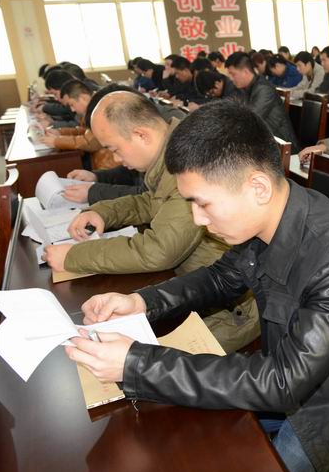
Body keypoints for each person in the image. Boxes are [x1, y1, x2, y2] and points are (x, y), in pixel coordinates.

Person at [64, 99, 329, 472]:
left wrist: (136, 364)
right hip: (300, 377)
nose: (198, 219)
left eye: (203, 203)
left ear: (257, 187)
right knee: (183, 433)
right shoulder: (268, 217)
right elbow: (221, 278)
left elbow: (283, 383)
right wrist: (140, 301)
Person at [43, 91, 261, 351]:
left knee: (129, 357)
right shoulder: (172, 151)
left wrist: (74, 256)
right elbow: (153, 202)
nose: (115, 159)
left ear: (141, 135)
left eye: (114, 149)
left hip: (233, 307)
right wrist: (103, 212)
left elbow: (160, 250)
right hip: (199, 286)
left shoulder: (190, 159)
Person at [225, 51, 300, 149]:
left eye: (233, 74)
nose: (231, 79)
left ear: (245, 72)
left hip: (282, 145)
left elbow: (250, 119)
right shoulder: (246, 88)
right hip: (267, 141)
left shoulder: (263, 88)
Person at [37, 79, 114, 170]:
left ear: (83, 98)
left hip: (109, 165)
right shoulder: (91, 109)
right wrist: (60, 132)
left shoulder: (100, 108)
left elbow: (90, 142)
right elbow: (85, 131)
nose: (72, 110)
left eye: (72, 104)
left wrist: (56, 141)